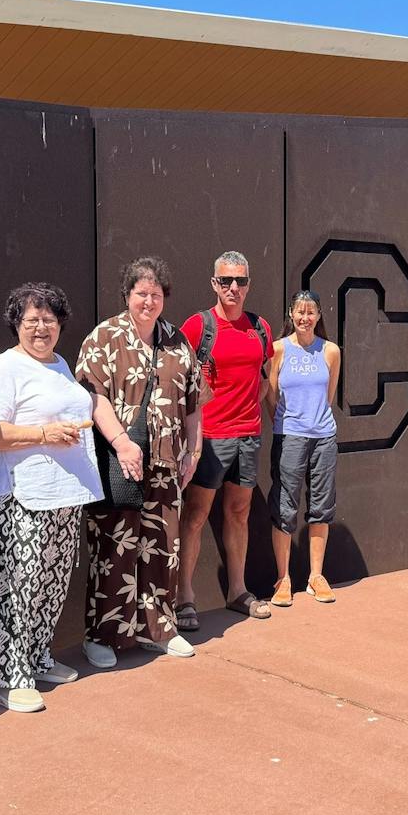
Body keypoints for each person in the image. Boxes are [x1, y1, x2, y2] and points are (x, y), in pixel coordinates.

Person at [0, 282, 103, 712]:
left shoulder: (61, 364)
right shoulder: (1, 370)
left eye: (49, 320)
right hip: (15, 497)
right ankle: (6, 676)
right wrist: (42, 433)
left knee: (51, 581)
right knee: (16, 584)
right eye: (31, 321)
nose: (40, 328)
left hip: (61, 495)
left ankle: (34, 657)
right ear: (16, 325)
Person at [74, 257, 204, 663]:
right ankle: (103, 636)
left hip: (166, 463)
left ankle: (158, 629)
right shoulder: (104, 337)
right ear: (128, 295)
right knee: (114, 545)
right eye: (141, 293)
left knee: (163, 545)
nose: (148, 301)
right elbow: (92, 396)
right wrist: (121, 442)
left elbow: (194, 401)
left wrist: (194, 450)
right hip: (118, 462)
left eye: (156, 294)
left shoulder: (176, 340)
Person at [178, 251, 273, 627]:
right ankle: (184, 596)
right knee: (196, 515)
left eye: (241, 281)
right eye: (226, 281)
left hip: (248, 435)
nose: (234, 288)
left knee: (239, 513)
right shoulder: (198, 327)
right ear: (214, 284)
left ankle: (237, 590)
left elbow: (264, 378)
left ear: (249, 284)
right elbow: (180, 380)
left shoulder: (259, 326)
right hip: (209, 439)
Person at [264, 290, 341, 606]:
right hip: (289, 436)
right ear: (291, 315)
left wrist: (314, 421)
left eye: (311, 312)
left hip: (323, 437)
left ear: (319, 315)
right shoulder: (279, 349)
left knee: (321, 505)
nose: (305, 318)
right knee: (284, 506)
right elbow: (270, 395)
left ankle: (315, 576)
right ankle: (283, 579)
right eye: (299, 312)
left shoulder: (331, 351)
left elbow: (329, 395)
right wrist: (285, 423)